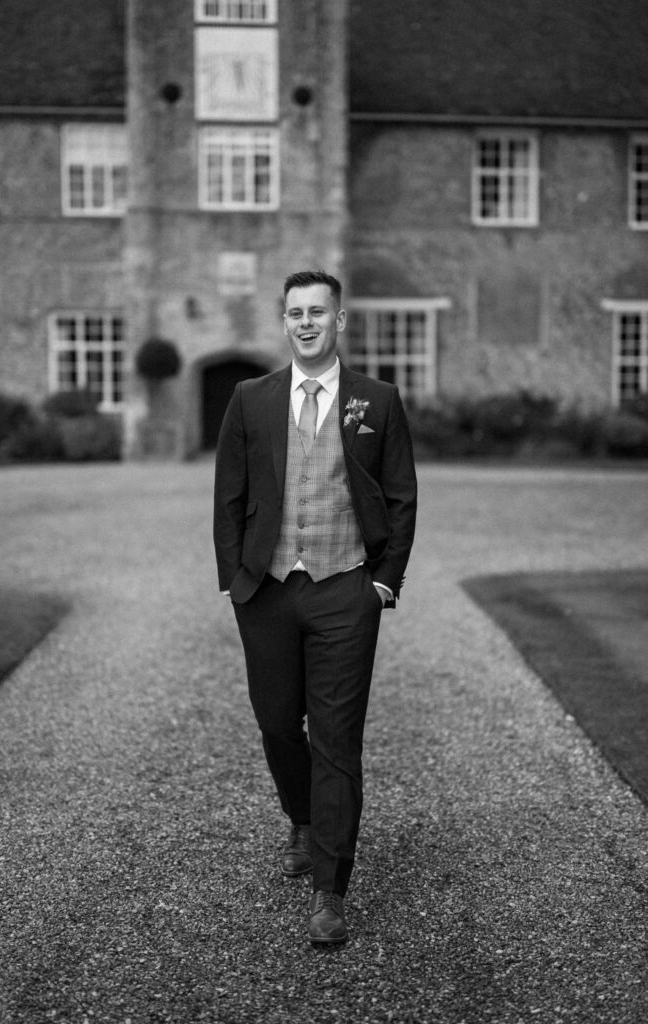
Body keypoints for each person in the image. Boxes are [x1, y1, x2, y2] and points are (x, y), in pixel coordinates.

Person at [213, 270, 417, 944]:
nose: (305, 322)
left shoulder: (377, 401)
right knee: (276, 723)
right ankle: (300, 818)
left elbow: (399, 495)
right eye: (294, 313)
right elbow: (230, 496)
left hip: (344, 589)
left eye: (317, 312)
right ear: (284, 321)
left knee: (336, 742)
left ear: (339, 321)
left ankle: (330, 893)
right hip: (267, 591)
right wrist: (232, 579)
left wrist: (382, 583)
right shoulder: (250, 398)